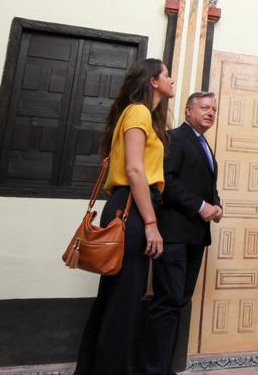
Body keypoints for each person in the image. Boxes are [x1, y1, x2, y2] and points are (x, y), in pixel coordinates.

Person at [74, 58, 174, 375]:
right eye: (167, 75)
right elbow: (134, 170)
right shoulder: (139, 112)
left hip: (130, 205)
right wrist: (151, 224)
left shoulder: (142, 115)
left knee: (115, 299)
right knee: (123, 302)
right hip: (131, 207)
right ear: (153, 81)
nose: (172, 80)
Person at [150, 92, 224, 374]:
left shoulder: (203, 144)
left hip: (195, 236)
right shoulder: (175, 138)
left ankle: (166, 367)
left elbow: (206, 185)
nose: (210, 113)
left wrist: (216, 205)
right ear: (188, 110)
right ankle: (155, 369)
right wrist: (201, 206)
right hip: (174, 234)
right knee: (167, 303)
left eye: (213, 109)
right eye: (204, 107)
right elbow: (166, 181)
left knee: (179, 302)